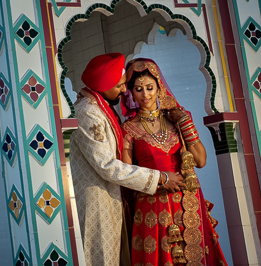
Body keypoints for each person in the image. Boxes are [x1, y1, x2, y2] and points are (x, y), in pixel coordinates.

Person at [70, 53, 183, 266]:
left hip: (114, 200)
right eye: (120, 86)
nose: (125, 90)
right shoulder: (88, 113)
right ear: (103, 85)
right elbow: (107, 166)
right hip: (99, 202)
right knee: (103, 260)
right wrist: (160, 178)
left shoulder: (102, 108)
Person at [120, 58, 227, 266]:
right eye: (138, 89)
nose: (145, 95)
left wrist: (185, 122)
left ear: (159, 87)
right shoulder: (129, 129)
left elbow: (201, 160)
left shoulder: (177, 120)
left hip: (187, 202)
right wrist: (161, 181)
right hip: (153, 205)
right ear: (131, 93)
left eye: (150, 88)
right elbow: (126, 176)